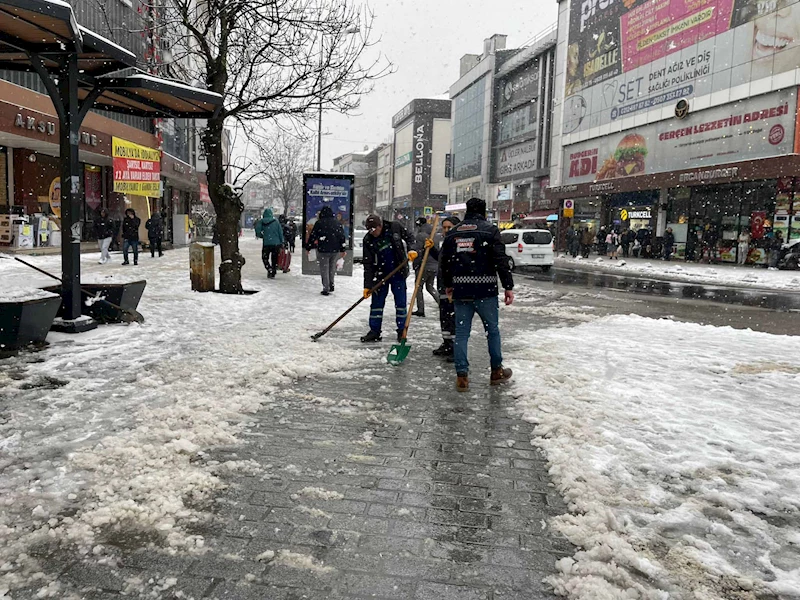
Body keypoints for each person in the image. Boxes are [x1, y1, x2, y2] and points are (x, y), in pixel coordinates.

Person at [440, 198, 514, 392]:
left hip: (461, 291)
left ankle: (462, 376)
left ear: (466, 211)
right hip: (485, 291)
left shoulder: (454, 232)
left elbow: (445, 262)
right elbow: (500, 260)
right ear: (484, 211)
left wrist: (448, 284)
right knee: (492, 331)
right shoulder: (490, 231)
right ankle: (496, 371)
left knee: (462, 334)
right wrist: (508, 286)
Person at [361, 214, 416, 343]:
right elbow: (368, 264)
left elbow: (410, 238)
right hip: (379, 275)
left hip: (398, 272)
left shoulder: (394, 227)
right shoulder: (368, 240)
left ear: (380, 226)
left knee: (400, 304)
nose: (372, 233)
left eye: (374, 229)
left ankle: (402, 331)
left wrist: (412, 250)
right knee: (376, 305)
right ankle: (374, 331)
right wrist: (367, 286)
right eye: (369, 230)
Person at [433, 216, 460, 359]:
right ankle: (447, 343)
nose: (446, 230)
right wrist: (431, 249)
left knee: (452, 316)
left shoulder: (458, 243)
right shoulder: (446, 243)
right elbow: (441, 260)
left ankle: (456, 347)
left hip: (452, 286)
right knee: (444, 316)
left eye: (449, 227)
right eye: (444, 227)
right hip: (443, 284)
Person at [307, 206, 346, 296]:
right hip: (334, 249)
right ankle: (331, 284)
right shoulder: (337, 223)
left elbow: (313, 236)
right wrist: (342, 249)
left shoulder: (319, 223)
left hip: (323, 249)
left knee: (324, 268)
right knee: (331, 267)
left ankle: (326, 288)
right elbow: (341, 236)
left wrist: (309, 247)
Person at [412, 217, 439, 317]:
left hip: (424, 265)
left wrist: (416, 265)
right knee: (430, 286)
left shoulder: (420, 235)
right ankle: (441, 304)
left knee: (418, 288)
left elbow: (418, 252)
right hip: (434, 265)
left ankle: (420, 309)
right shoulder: (434, 234)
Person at [254, 208, 284, 278]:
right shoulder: (276, 222)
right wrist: (281, 242)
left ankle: (269, 268)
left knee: (265, 258)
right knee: (274, 258)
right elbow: (280, 233)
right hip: (276, 244)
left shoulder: (262, 222)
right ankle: (273, 271)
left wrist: (262, 236)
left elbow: (257, 231)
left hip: (266, 243)